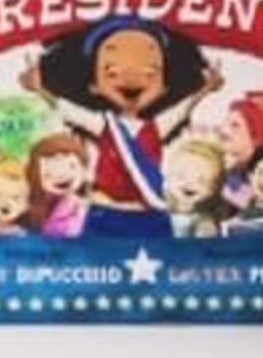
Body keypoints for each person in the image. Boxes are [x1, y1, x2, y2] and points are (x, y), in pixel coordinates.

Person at [32, 15, 211, 214]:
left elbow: (183, 109)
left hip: (148, 210)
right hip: (106, 208)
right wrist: (39, 89)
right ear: (93, 86)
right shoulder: (103, 124)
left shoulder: (157, 125)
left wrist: (206, 89)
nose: (131, 80)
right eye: (112, 72)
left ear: (164, 89)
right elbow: (68, 110)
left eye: (150, 73)